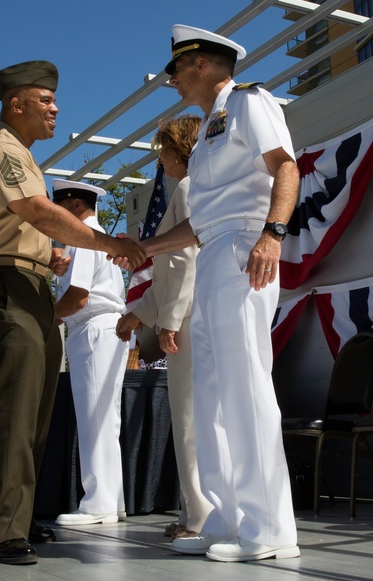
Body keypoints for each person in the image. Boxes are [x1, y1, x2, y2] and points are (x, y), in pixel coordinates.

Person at [0, 60, 145, 566]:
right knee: (14, 408)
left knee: (36, 411)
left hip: (30, 283)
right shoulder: (1, 149)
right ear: (15, 103)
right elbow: (38, 212)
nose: (56, 109)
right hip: (4, 285)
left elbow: (29, 225)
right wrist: (108, 242)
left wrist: (49, 254)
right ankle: (2, 532)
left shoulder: (24, 157)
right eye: (45, 100)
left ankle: (18, 516)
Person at [139, 25, 301, 562]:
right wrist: (146, 248)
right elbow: (201, 221)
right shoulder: (208, 127)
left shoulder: (251, 102)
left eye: (177, 69)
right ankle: (225, 518)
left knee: (245, 387)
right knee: (209, 395)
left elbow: (286, 167)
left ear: (203, 64)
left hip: (244, 248)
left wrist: (272, 234)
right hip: (213, 252)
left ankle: (268, 529)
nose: (173, 80)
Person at [115, 114, 212, 540]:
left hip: (189, 322)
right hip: (188, 316)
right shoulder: (191, 190)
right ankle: (198, 511)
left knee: (191, 421)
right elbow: (168, 272)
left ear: (178, 151)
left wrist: (168, 322)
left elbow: (185, 259)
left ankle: (199, 518)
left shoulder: (190, 189)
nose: (162, 160)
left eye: (164, 151)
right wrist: (140, 314)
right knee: (194, 419)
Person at [51, 179, 130, 527]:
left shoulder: (84, 239)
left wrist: (48, 316)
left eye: (58, 208)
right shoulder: (98, 238)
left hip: (93, 328)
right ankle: (111, 500)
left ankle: (98, 503)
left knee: (95, 418)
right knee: (105, 419)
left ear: (72, 205)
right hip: (104, 328)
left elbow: (78, 296)